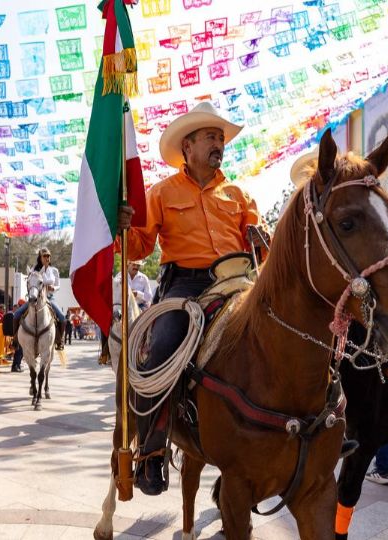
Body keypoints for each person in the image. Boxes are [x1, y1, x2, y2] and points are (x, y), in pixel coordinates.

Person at [116, 102, 264, 495]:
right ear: (188, 147)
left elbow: (260, 246)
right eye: (210, 137)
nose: (219, 144)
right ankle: (151, 449)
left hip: (239, 283)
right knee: (162, 346)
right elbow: (141, 246)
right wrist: (124, 228)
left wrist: (260, 242)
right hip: (185, 286)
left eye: (220, 137)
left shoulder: (240, 194)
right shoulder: (161, 193)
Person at [12, 248, 68, 350]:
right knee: (17, 314)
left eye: (48, 256)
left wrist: (53, 288)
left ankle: (60, 340)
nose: (47, 258)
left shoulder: (54, 270)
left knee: (62, 317)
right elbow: (29, 281)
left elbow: (58, 285)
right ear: (40, 257)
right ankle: (15, 339)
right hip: (35, 297)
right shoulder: (34, 269)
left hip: (49, 297)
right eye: (45, 256)